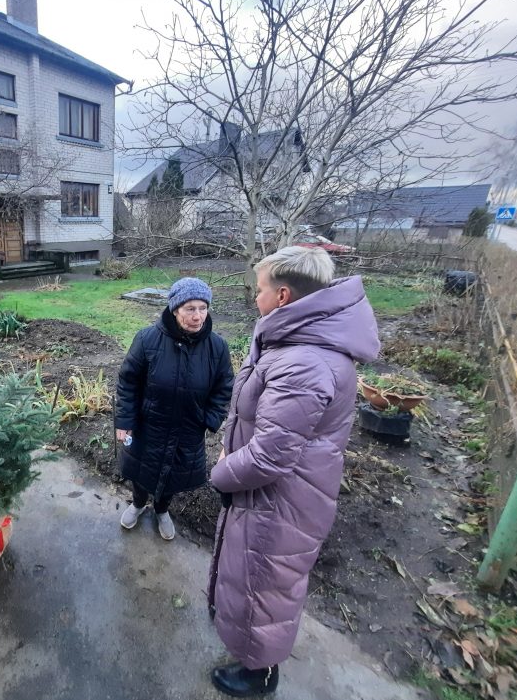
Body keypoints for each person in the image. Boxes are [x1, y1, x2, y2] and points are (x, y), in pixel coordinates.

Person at [207, 246, 380, 696]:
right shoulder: (295, 340)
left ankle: (259, 673)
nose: (253, 296)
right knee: (261, 580)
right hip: (279, 494)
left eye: (259, 288)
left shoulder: (303, 361)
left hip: (280, 501)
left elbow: (269, 456)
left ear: (283, 296)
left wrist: (221, 474)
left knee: (266, 586)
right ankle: (254, 654)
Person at [115, 277, 233, 540]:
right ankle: (137, 503)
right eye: (190, 308)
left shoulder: (217, 347)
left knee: (173, 473)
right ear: (175, 309)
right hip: (149, 424)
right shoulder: (147, 339)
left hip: (188, 428)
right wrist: (125, 420)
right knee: (142, 468)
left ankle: (162, 509)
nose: (198, 316)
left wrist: (209, 418)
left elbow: (224, 387)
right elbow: (128, 382)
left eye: (203, 308)